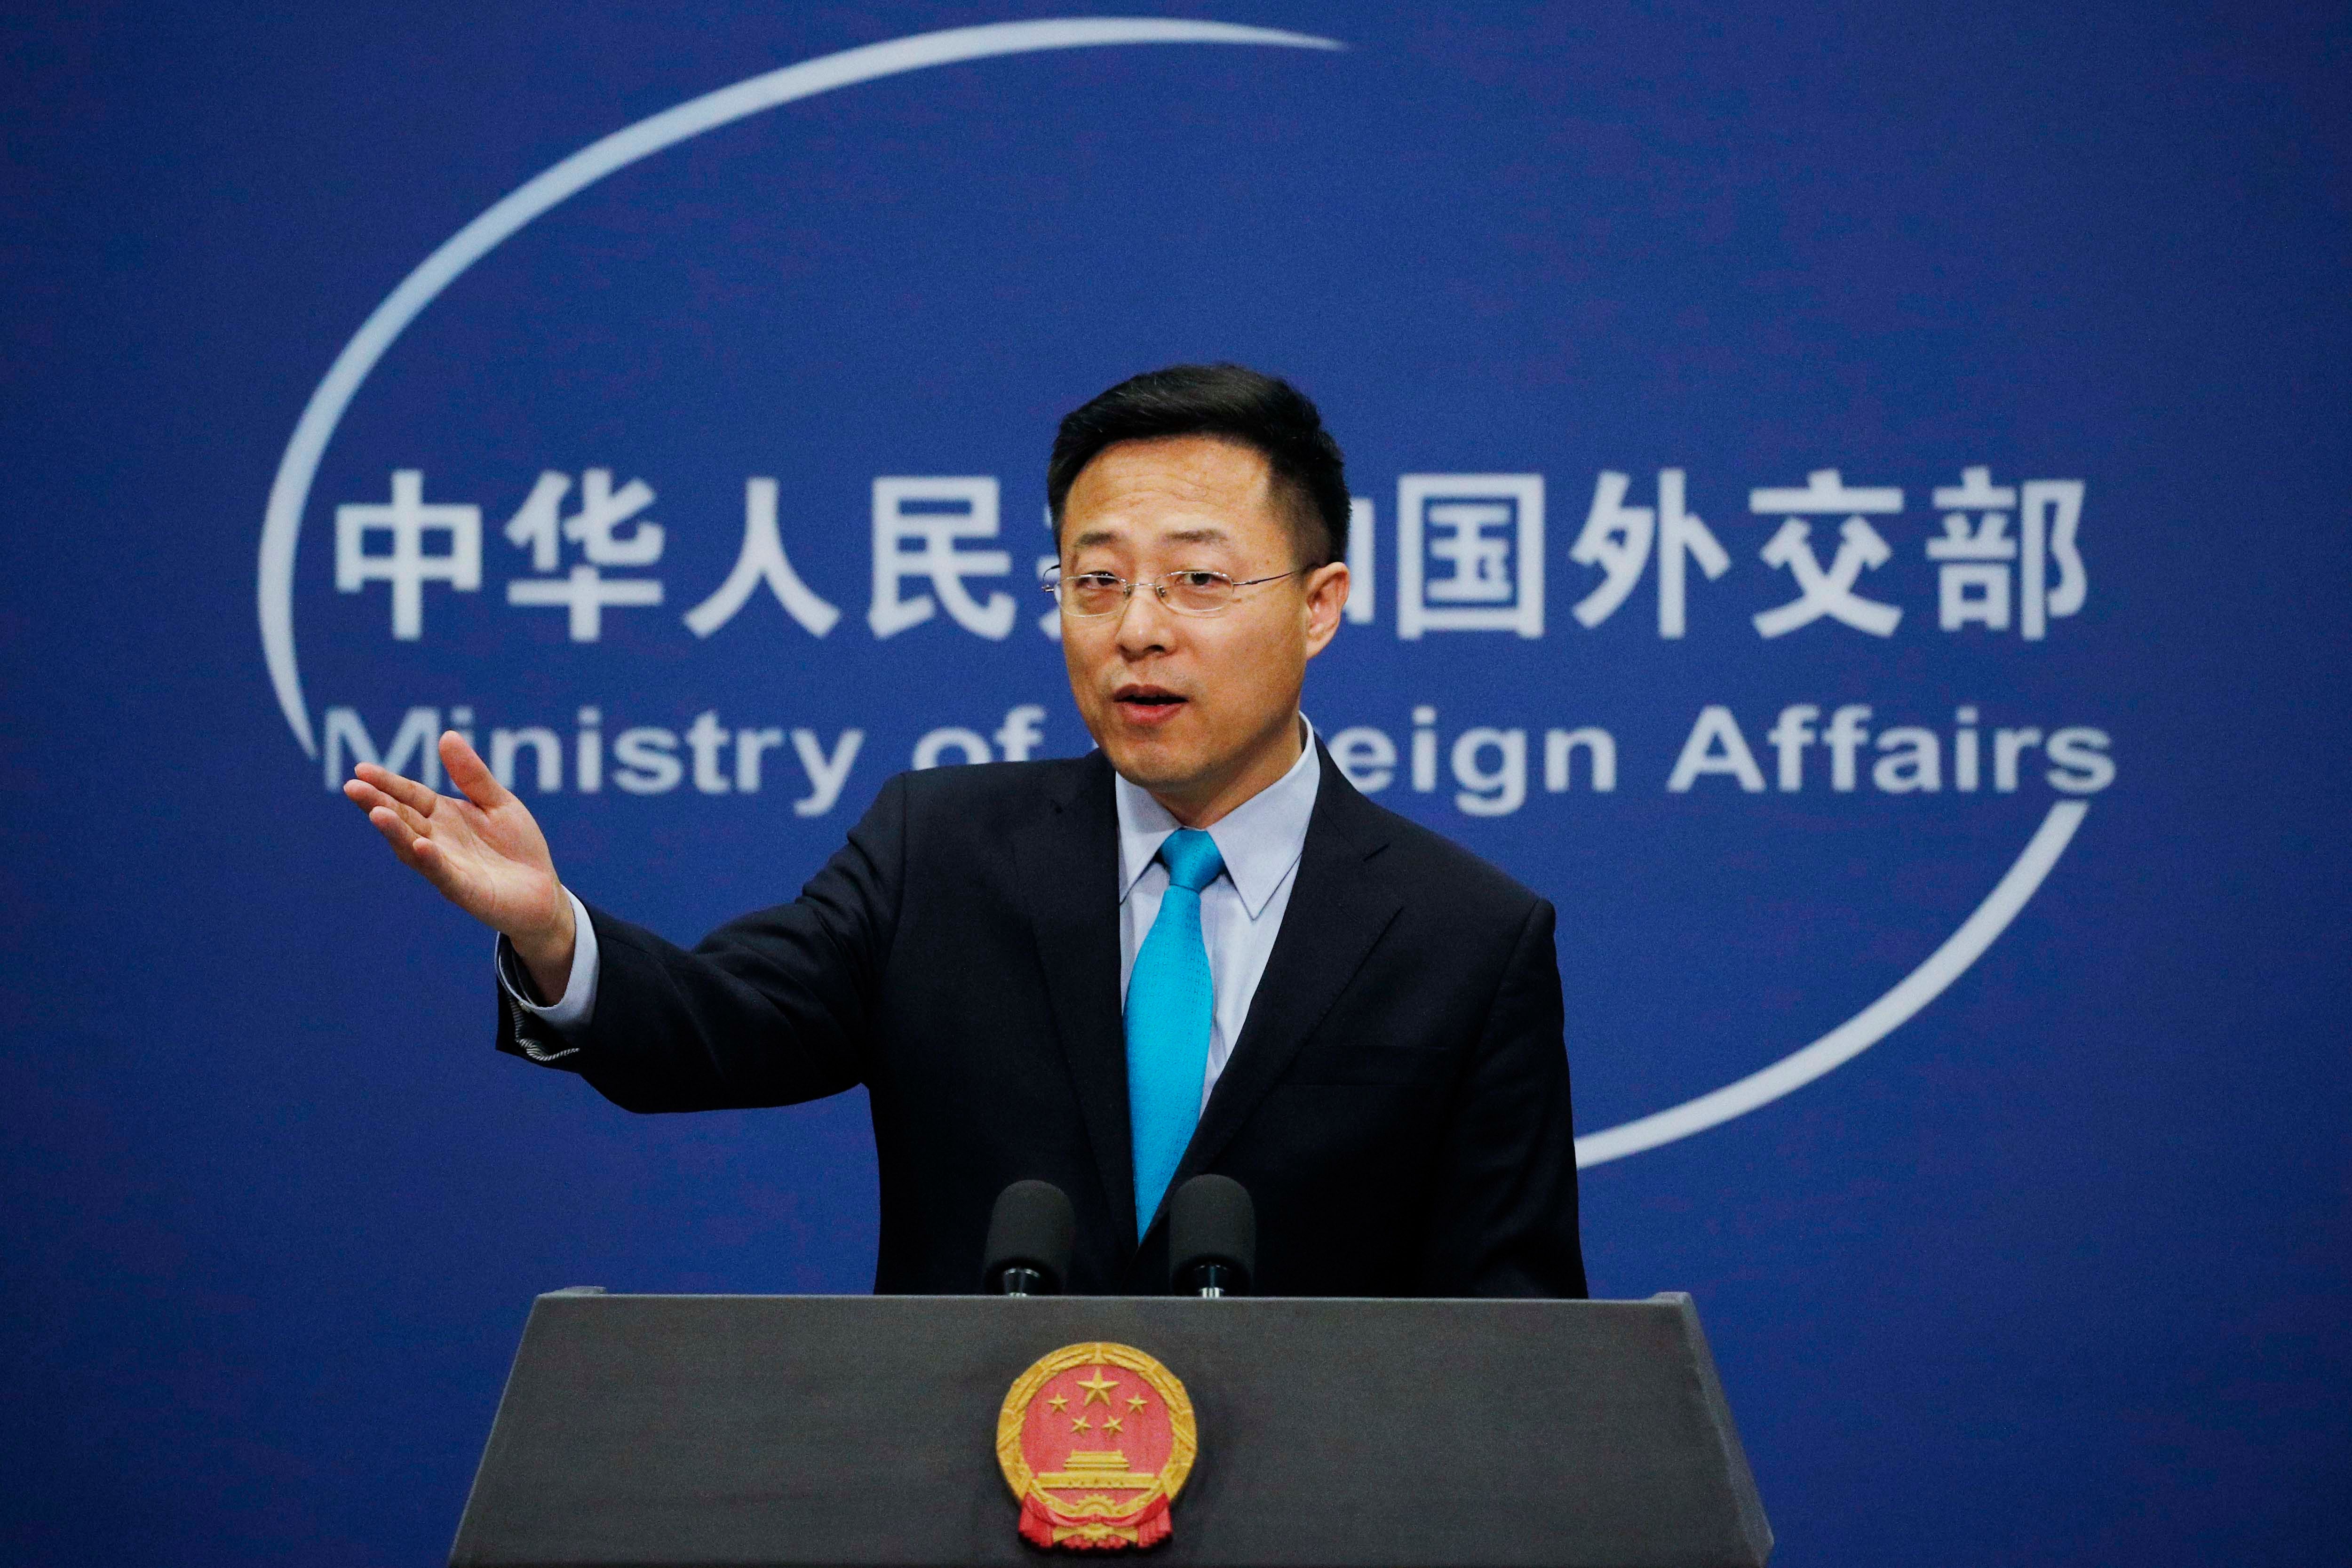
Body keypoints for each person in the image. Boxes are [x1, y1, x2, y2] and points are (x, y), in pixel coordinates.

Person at [345, 364, 1587, 1297]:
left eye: (1198, 581)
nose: (1137, 629)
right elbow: (712, 1034)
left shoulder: (1466, 937)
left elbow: (1514, 1335)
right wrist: (555, 934)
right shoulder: (939, 851)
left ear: (1321, 607)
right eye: (1094, 580)